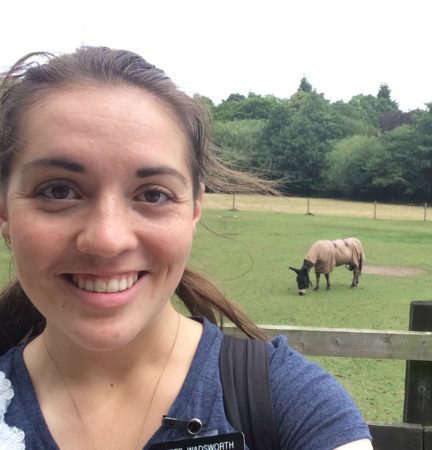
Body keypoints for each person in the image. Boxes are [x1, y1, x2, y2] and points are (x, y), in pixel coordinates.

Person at [0, 47, 372, 450]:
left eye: (154, 195)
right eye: (59, 190)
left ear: (194, 209)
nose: (108, 240)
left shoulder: (294, 403)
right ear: (4, 211)